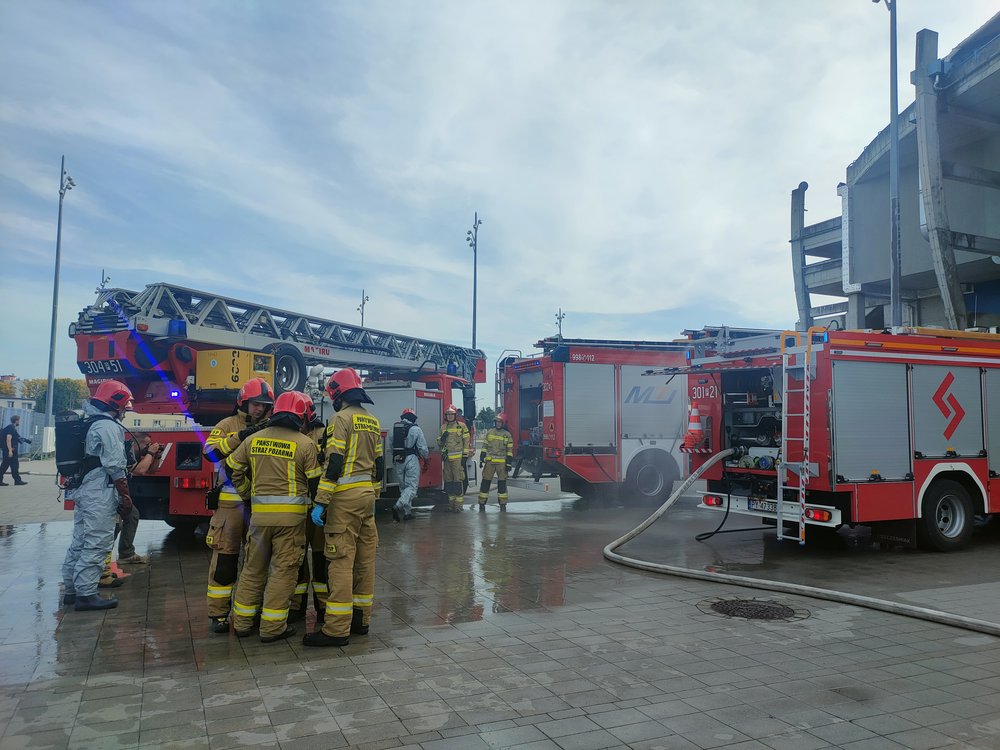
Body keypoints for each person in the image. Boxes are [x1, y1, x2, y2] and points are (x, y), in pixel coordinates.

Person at [226, 391, 322, 643]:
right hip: (291, 523)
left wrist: (246, 494)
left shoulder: (253, 440)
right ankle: (272, 628)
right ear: (301, 416)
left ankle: (243, 623)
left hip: (258, 519)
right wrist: (319, 508)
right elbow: (315, 484)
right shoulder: (305, 444)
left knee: (252, 570)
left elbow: (231, 469)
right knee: (283, 572)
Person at [303, 368, 382, 647]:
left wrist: (321, 502)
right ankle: (361, 620)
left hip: (345, 499)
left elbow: (334, 463)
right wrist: (374, 493)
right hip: (366, 497)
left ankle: (336, 629)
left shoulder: (340, 419)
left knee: (340, 562)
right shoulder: (372, 420)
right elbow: (379, 464)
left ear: (337, 394)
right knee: (364, 560)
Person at [202, 377, 275, 634]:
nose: (259, 409)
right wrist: (240, 436)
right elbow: (210, 453)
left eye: (264, 405)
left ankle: (249, 610)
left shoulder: (270, 428)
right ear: (243, 402)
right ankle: (219, 614)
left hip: (258, 505)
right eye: (256, 404)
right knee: (225, 561)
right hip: (231, 505)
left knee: (256, 563)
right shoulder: (227, 425)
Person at [61, 380, 135, 611]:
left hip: (84, 490)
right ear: (116, 404)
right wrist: (125, 497)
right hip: (99, 493)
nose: (124, 413)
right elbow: (115, 467)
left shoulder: (88, 422)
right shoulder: (108, 427)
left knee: (80, 541)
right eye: (124, 408)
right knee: (97, 542)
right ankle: (87, 594)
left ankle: (72, 590)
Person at [392, 408, 428, 522]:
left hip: (398, 459)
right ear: (413, 418)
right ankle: (398, 505)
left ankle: (408, 513)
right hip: (411, 459)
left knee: (403, 487)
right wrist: (426, 457)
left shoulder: (395, 428)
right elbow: (423, 448)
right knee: (412, 487)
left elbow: (390, 445)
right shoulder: (416, 429)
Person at [478, 411, 514, 511]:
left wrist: (508, 463)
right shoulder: (490, 432)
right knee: (485, 482)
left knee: (502, 484)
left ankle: (503, 504)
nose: (498, 423)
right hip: (489, 462)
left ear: (503, 423)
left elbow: (509, 451)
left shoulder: (507, 435)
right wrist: (481, 458)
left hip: (502, 463)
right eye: (496, 421)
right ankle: (482, 502)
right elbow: (484, 446)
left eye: (500, 422)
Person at [439, 405, 469, 512]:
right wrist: (442, 439)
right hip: (447, 460)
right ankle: (450, 505)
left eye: (452, 414)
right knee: (449, 483)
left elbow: (466, 442)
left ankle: (458, 507)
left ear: (455, 415)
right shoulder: (443, 427)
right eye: (448, 414)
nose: (450, 416)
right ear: (446, 416)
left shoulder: (462, 426)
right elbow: (440, 443)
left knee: (457, 482)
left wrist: (465, 456)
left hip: (457, 460)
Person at [0, 415, 29, 486]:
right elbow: (8, 439)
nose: (19, 422)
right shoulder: (11, 428)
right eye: (19, 420)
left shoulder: (11, 428)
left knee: (7, 466)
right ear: (16, 421)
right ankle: (17, 480)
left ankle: (17, 480)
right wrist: (10, 450)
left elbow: (17, 437)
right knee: (13, 465)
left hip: (9, 450)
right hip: (10, 451)